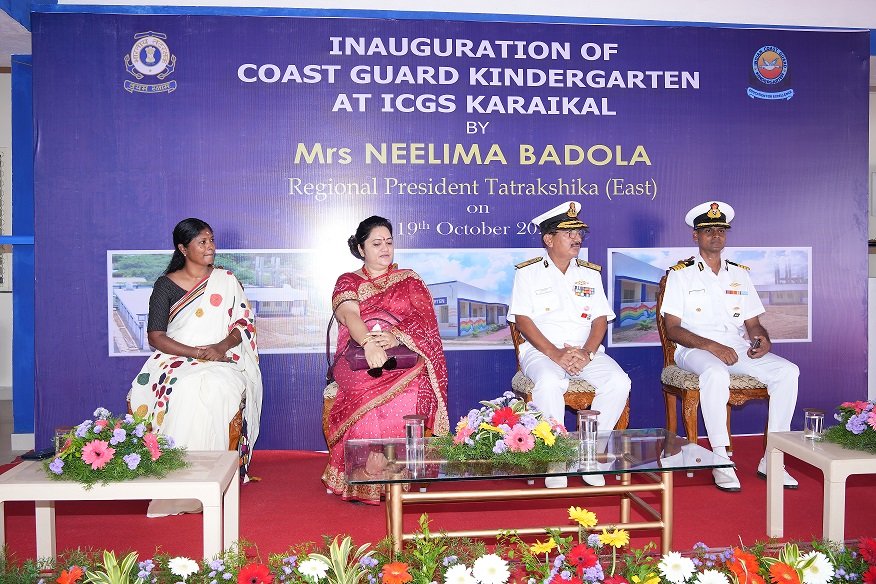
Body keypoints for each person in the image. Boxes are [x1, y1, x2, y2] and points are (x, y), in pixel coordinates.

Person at [660, 201, 799, 492]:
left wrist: (762, 338)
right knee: (715, 373)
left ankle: (773, 459)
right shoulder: (680, 275)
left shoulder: (740, 274)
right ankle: (721, 459)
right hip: (693, 349)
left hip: (735, 347)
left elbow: (753, 323)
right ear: (695, 236)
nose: (716, 235)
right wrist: (711, 346)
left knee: (788, 372)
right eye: (709, 230)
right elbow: (673, 329)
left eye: (721, 230)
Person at [128, 218, 263, 516]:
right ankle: (179, 481)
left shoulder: (226, 280)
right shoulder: (165, 285)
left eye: (211, 240)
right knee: (187, 387)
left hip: (222, 358)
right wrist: (197, 353)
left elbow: (243, 323)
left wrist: (219, 348)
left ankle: (213, 479)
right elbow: (156, 337)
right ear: (183, 249)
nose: (210, 247)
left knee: (218, 387)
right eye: (202, 242)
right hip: (176, 359)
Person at [322, 215, 449, 504]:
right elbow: (349, 315)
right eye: (376, 243)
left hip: (403, 354)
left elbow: (425, 320)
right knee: (366, 390)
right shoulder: (348, 280)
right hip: (357, 356)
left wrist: (395, 336)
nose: (385, 249)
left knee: (412, 389)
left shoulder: (409, 279)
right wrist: (368, 343)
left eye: (389, 242)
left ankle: (398, 473)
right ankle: (366, 476)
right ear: (361, 248)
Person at [508, 202, 631, 489]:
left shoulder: (590, 273)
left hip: (584, 352)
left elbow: (600, 319)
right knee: (550, 382)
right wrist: (555, 353)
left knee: (618, 382)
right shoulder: (528, 273)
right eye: (569, 233)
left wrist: (587, 352)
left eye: (579, 233)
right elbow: (522, 321)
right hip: (542, 351)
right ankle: (556, 458)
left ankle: (589, 454)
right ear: (548, 239)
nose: (577, 238)